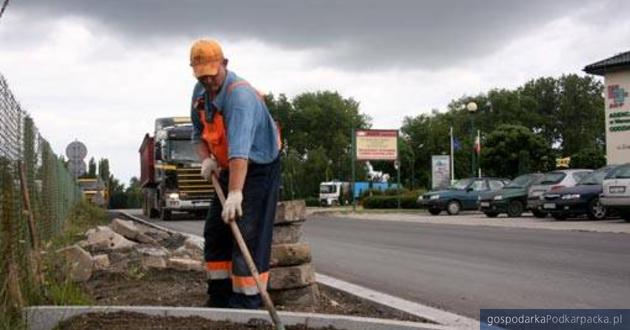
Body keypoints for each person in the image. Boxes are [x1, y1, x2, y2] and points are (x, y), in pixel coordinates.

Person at [189, 39, 281, 309]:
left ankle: (246, 302)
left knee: (246, 233)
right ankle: (219, 298)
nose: (208, 81)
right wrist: (206, 160)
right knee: (215, 231)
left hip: (258, 167)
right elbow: (197, 134)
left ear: (225, 64)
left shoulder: (239, 97)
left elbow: (240, 151)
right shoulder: (199, 93)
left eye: (212, 74)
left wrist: (236, 193)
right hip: (228, 166)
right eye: (202, 76)